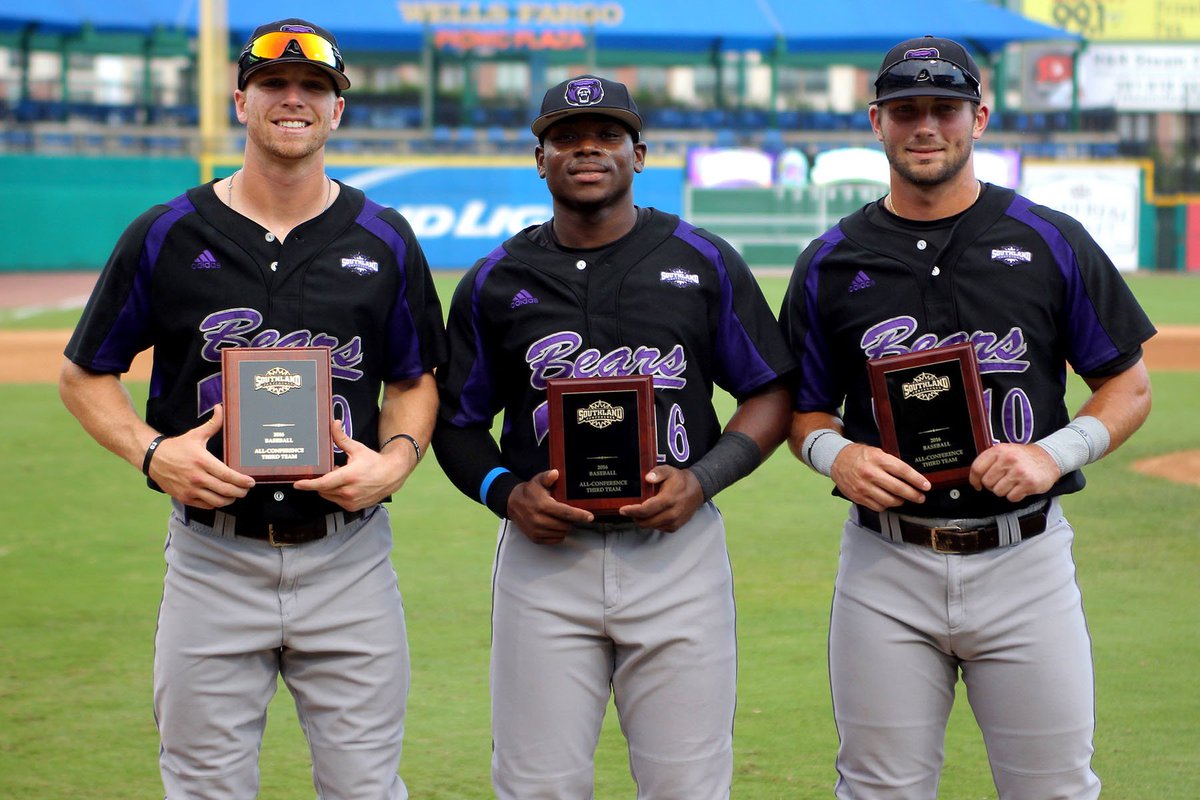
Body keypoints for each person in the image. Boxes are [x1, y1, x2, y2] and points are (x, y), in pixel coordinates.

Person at [59, 18, 445, 798]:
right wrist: (149, 451)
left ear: (338, 112)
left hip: (349, 555)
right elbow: (83, 373)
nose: (294, 99)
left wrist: (395, 462)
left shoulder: (384, 236)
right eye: (274, 84)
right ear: (242, 100)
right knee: (203, 785)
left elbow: (413, 380)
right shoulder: (167, 233)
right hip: (212, 556)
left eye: (316, 89)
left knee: (366, 786)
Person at [779, 35, 1156, 799]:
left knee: (1053, 788)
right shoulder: (832, 259)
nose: (926, 126)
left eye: (944, 109)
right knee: (880, 789)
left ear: (979, 117)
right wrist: (834, 457)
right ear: (876, 123)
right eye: (906, 110)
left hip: (1026, 557)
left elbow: (1129, 385)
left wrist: (1056, 454)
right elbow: (802, 408)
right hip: (886, 563)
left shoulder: (1049, 239)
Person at [432, 74, 795, 799]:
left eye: (608, 135)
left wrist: (706, 478)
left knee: (687, 785)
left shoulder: (701, 259)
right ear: (540, 158)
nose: (587, 148)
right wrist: (505, 494)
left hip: (677, 553)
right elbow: (455, 421)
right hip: (546, 561)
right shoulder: (496, 280)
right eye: (566, 136)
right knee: (537, 784)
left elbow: (770, 389)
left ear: (640, 153)